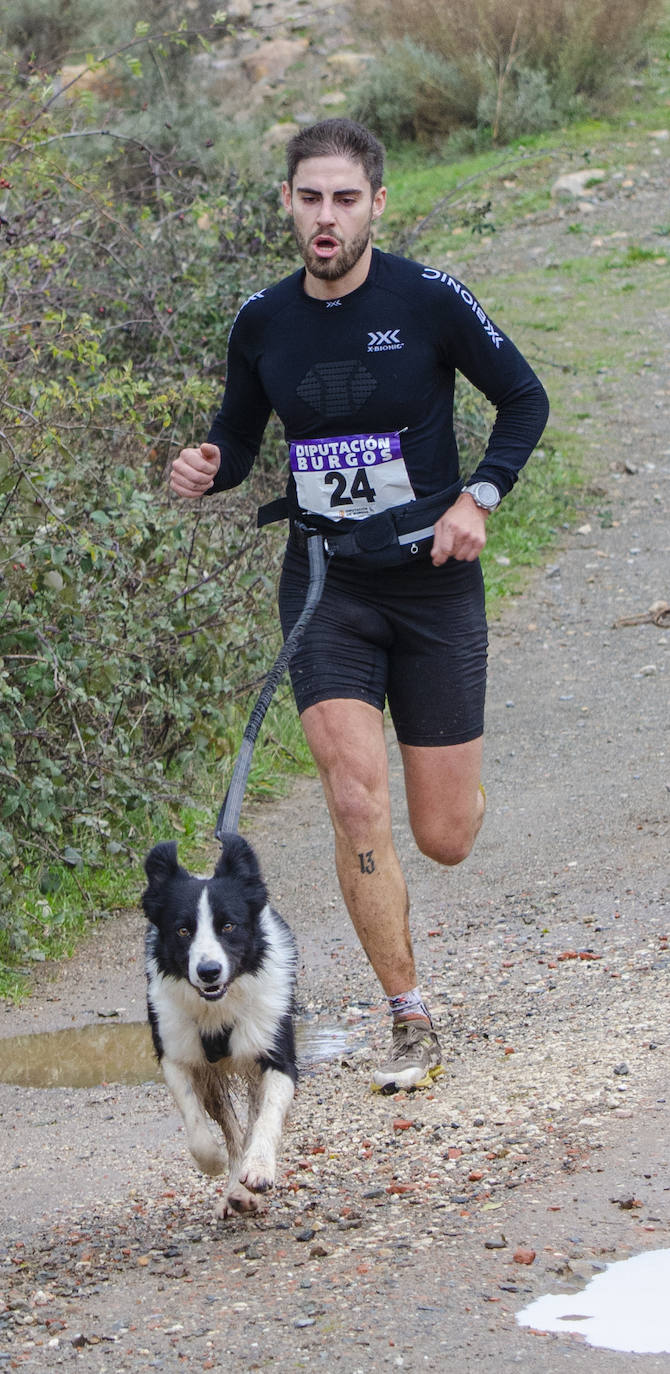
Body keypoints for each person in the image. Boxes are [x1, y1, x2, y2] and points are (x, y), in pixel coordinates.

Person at [170, 118, 549, 1093]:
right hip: (326, 584)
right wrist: (212, 466)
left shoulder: (425, 299)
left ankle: (454, 789)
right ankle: (407, 1012)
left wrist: (479, 497)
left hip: (430, 583)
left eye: (345, 198)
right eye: (310, 198)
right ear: (287, 205)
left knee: (443, 835)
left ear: (377, 203)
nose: (326, 216)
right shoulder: (262, 321)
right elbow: (240, 439)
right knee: (350, 795)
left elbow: (523, 399)